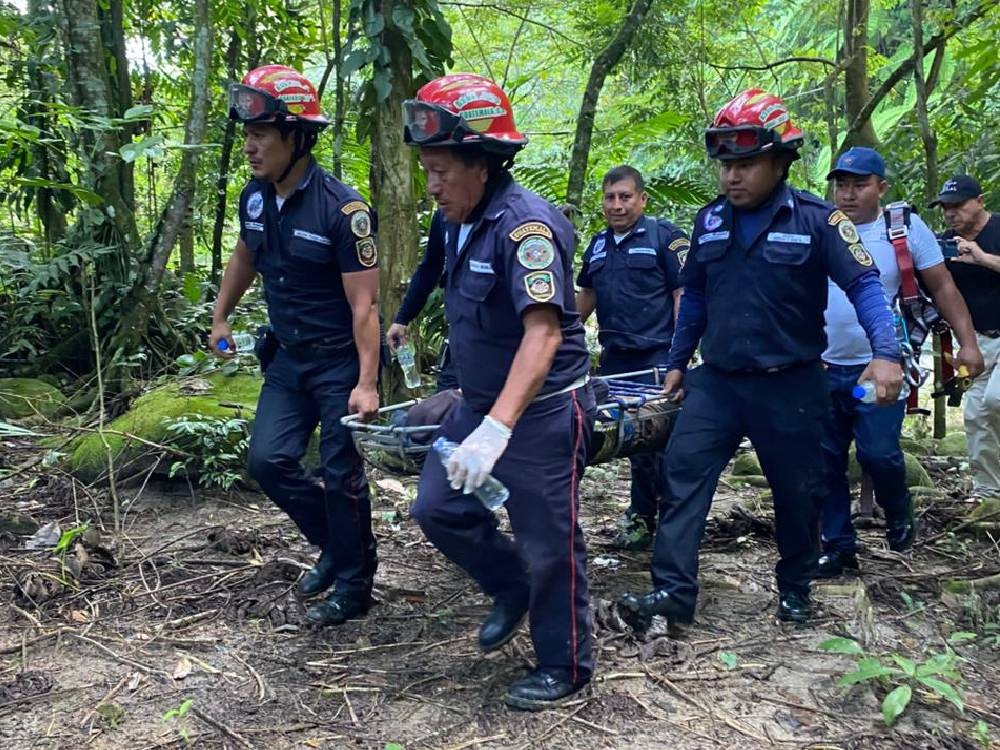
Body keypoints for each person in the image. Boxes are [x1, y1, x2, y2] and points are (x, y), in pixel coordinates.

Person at [619, 89, 903, 629]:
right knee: (681, 478)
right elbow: (695, 294)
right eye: (726, 164)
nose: (732, 176)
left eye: (746, 163)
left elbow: (865, 283)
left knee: (799, 493)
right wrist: (679, 360)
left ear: (780, 161)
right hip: (718, 384)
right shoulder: (708, 222)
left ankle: (795, 587)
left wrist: (885, 353)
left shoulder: (820, 221)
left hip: (791, 386)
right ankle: (673, 592)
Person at [404, 73, 596, 710]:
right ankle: (509, 585)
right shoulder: (454, 222)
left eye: (441, 171)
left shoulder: (527, 229)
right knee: (437, 508)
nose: (432, 186)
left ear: (482, 164)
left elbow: (542, 336)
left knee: (549, 541)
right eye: (426, 170)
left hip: (540, 411)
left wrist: (498, 429)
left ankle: (565, 664)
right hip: (479, 400)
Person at [210, 65, 381, 627]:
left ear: (296, 137)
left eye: (262, 137)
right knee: (269, 461)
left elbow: (365, 307)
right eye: (248, 137)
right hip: (287, 357)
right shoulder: (255, 199)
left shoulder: (344, 211)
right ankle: (335, 544)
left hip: (338, 363)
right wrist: (220, 316)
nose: (251, 148)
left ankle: (356, 583)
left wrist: (367, 382)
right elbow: (244, 257)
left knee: (341, 476)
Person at [817, 148, 983, 576]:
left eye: (860, 185)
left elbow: (943, 288)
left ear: (881, 187)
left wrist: (968, 344)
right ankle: (838, 546)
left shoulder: (903, 230)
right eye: (842, 185)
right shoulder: (819, 226)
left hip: (878, 371)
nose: (848, 194)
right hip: (820, 369)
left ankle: (897, 508)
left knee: (878, 452)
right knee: (825, 457)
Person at [576, 165, 688, 549]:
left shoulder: (665, 237)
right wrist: (558, 339)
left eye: (625, 197)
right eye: (610, 197)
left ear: (642, 198)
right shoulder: (598, 244)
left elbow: (683, 296)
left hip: (656, 358)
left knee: (655, 443)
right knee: (616, 440)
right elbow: (586, 297)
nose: (617, 205)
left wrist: (682, 356)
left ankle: (656, 520)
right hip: (614, 359)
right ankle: (642, 517)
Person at [933, 175, 1000, 498]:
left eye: (958, 205)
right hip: (978, 341)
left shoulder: (998, 229)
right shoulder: (947, 242)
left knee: (996, 399)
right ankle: (988, 490)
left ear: (980, 202)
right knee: (976, 413)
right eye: (946, 207)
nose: (951, 213)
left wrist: (983, 258)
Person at [386, 211, 458, 391]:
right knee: (446, 410)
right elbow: (430, 269)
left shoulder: (508, 219)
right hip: (458, 347)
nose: (434, 189)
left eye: (443, 180)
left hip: (499, 352)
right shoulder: (444, 217)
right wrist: (403, 318)